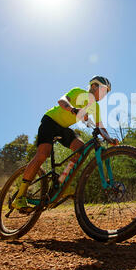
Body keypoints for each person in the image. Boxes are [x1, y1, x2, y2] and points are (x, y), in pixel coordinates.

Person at [12, 76, 118, 213]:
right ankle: (20, 196)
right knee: (43, 154)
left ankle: (61, 181)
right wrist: (73, 109)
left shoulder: (95, 107)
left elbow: (101, 127)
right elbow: (62, 101)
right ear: (94, 86)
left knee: (81, 148)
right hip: (50, 121)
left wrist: (110, 139)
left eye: (107, 92)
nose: (104, 95)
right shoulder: (79, 92)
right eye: (103, 90)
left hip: (63, 128)